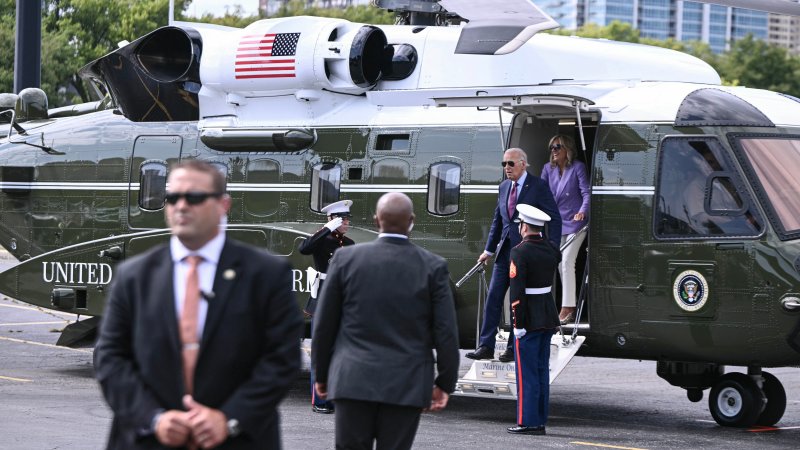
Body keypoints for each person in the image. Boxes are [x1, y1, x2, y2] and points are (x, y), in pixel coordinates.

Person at [94, 160, 302, 449]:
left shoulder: (266, 274)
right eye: (172, 198)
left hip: (237, 439)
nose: (181, 206)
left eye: (194, 197)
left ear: (223, 205)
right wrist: (155, 418)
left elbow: (281, 359)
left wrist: (228, 418)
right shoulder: (134, 276)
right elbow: (111, 358)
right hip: (148, 438)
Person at [311, 192, 460, 450]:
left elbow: (325, 325)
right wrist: (444, 384)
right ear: (411, 221)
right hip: (407, 382)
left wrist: (322, 375)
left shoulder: (346, 260)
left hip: (352, 380)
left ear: (376, 220)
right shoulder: (433, 266)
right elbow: (446, 331)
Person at [466, 148, 561, 362]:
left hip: (525, 254)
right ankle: (486, 345)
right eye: (504, 164)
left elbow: (554, 217)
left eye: (510, 163)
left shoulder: (538, 186)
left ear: (523, 164)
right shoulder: (503, 187)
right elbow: (498, 221)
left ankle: (512, 348)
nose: (506, 168)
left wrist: (552, 247)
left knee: (516, 300)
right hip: (504, 252)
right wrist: (488, 250)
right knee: (494, 299)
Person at [507, 204, 561, 435]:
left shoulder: (520, 252)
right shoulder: (550, 249)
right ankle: (539, 420)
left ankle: (527, 422)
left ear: (524, 226)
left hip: (528, 318)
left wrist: (517, 324)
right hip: (547, 315)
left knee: (526, 373)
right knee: (540, 371)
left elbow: (517, 292)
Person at [299, 199, 355, 414]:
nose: (347, 223)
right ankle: (321, 401)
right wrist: (325, 229)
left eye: (348, 219)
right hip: (323, 299)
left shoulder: (348, 243)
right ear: (332, 219)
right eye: (343, 219)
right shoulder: (321, 240)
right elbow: (304, 249)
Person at [540, 135, 590, 324]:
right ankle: (558, 305)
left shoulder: (577, 168)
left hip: (576, 223)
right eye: (551, 147)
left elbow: (586, 192)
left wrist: (582, 212)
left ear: (567, 149)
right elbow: (541, 192)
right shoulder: (547, 169)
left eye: (557, 147)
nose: (553, 151)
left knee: (567, 260)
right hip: (556, 223)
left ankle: (568, 307)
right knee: (558, 263)